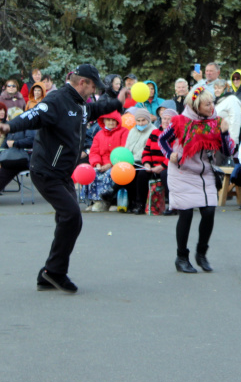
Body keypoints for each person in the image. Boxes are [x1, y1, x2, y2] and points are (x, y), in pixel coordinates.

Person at [0, 64, 125, 293]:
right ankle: (53, 272)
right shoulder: (57, 100)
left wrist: (119, 102)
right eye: (93, 85)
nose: (93, 90)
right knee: (71, 215)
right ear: (83, 83)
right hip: (46, 171)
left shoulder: (80, 104)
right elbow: (32, 115)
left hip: (62, 172)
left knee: (71, 220)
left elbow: (96, 109)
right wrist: (9, 126)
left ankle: (50, 273)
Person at [158, 85, 235, 273]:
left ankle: (201, 254)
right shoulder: (180, 121)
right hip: (182, 172)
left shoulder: (216, 122)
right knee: (186, 213)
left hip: (205, 172)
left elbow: (228, 151)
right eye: (207, 104)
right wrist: (170, 155)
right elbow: (162, 140)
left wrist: (224, 133)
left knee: (209, 211)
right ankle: (181, 257)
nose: (211, 107)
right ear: (196, 106)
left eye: (212, 103)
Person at [84, 110, 129, 211]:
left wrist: (110, 164)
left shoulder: (124, 132)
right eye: (108, 120)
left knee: (110, 173)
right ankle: (95, 201)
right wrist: (97, 164)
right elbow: (94, 152)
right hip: (101, 164)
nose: (111, 122)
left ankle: (110, 201)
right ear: (104, 121)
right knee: (92, 172)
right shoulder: (99, 134)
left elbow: (123, 150)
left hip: (116, 163)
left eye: (113, 120)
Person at [121, 109, 156, 214]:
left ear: (148, 120)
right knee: (124, 172)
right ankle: (132, 202)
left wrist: (133, 159)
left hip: (145, 160)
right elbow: (127, 146)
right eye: (138, 121)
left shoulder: (153, 131)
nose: (141, 123)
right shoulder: (132, 131)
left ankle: (140, 203)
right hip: (131, 160)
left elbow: (147, 150)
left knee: (138, 173)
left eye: (143, 120)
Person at [141, 107, 172, 215]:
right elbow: (146, 151)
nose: (166, 121)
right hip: (153, 166)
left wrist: (162, 166)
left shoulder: (175, 135)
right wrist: (147, 163)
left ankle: (173, 206)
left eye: (169, 119)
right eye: (164, 118)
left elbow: (174, 156)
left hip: (168, 166)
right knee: (141, 173)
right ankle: (140, 204)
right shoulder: (154, 132)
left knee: (165, 174)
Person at [213, 79, 241, 146]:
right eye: (215, 88)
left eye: (219, 88)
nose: (217, 90)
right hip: (216, 138)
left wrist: (232, 142)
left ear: (226, 89)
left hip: (227, 138)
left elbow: (235, 120)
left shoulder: (232, 99)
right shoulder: (217, 101)